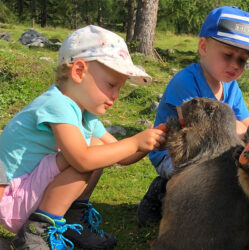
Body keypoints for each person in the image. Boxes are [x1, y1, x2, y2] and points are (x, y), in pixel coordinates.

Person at [0, 25, 166, 250]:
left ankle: (71, 223)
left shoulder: (84, 115)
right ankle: (35, 233)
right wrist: (134, 141)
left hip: (28, 193)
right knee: (90, 151)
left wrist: (152, 140)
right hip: (11, 199)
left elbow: (120, 155)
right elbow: (82, 160)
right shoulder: (57, 104)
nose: (116, 96)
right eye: (111, 85)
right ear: (79, 71)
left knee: (98, 151)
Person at [137, 6, 249, 226]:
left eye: (242, 60)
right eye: (228, 55)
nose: (235, 65)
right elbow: (199, 127)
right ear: (203, 46)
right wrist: (241, 134)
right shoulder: (186, 81)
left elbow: (248, 126)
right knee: (199, 176)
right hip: (177, 154)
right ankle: (161, 195)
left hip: (214, 151)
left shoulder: (231, 87)